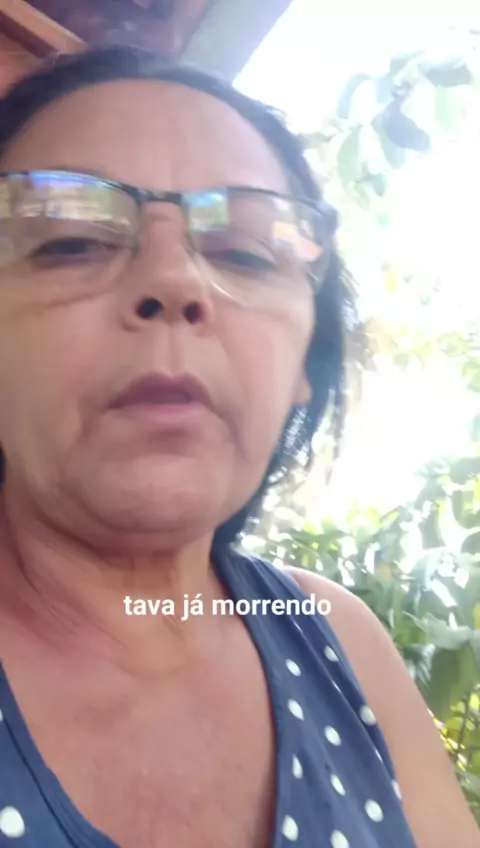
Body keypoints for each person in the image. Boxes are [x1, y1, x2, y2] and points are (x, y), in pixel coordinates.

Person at [0, 46, 477, 848]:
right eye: (71, 240)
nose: (174, 280)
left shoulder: (337, 635)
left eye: (247, 253)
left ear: (302, 367)